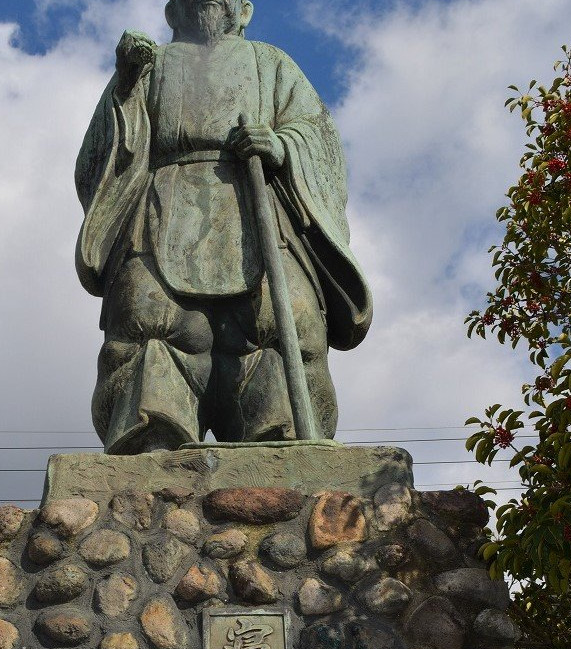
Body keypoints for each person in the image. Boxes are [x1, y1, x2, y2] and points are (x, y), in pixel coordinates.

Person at [75, 0, 372, 454]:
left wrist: (282, 144)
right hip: (161, 211)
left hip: (259, 214)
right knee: (146, 319)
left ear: (245, 10)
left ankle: (280, 433)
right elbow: (100, 157)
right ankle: (152, 429)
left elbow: (318, 134)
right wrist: (127, 89)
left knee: (281, 318)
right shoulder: (152, 64)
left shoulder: (271, 63)